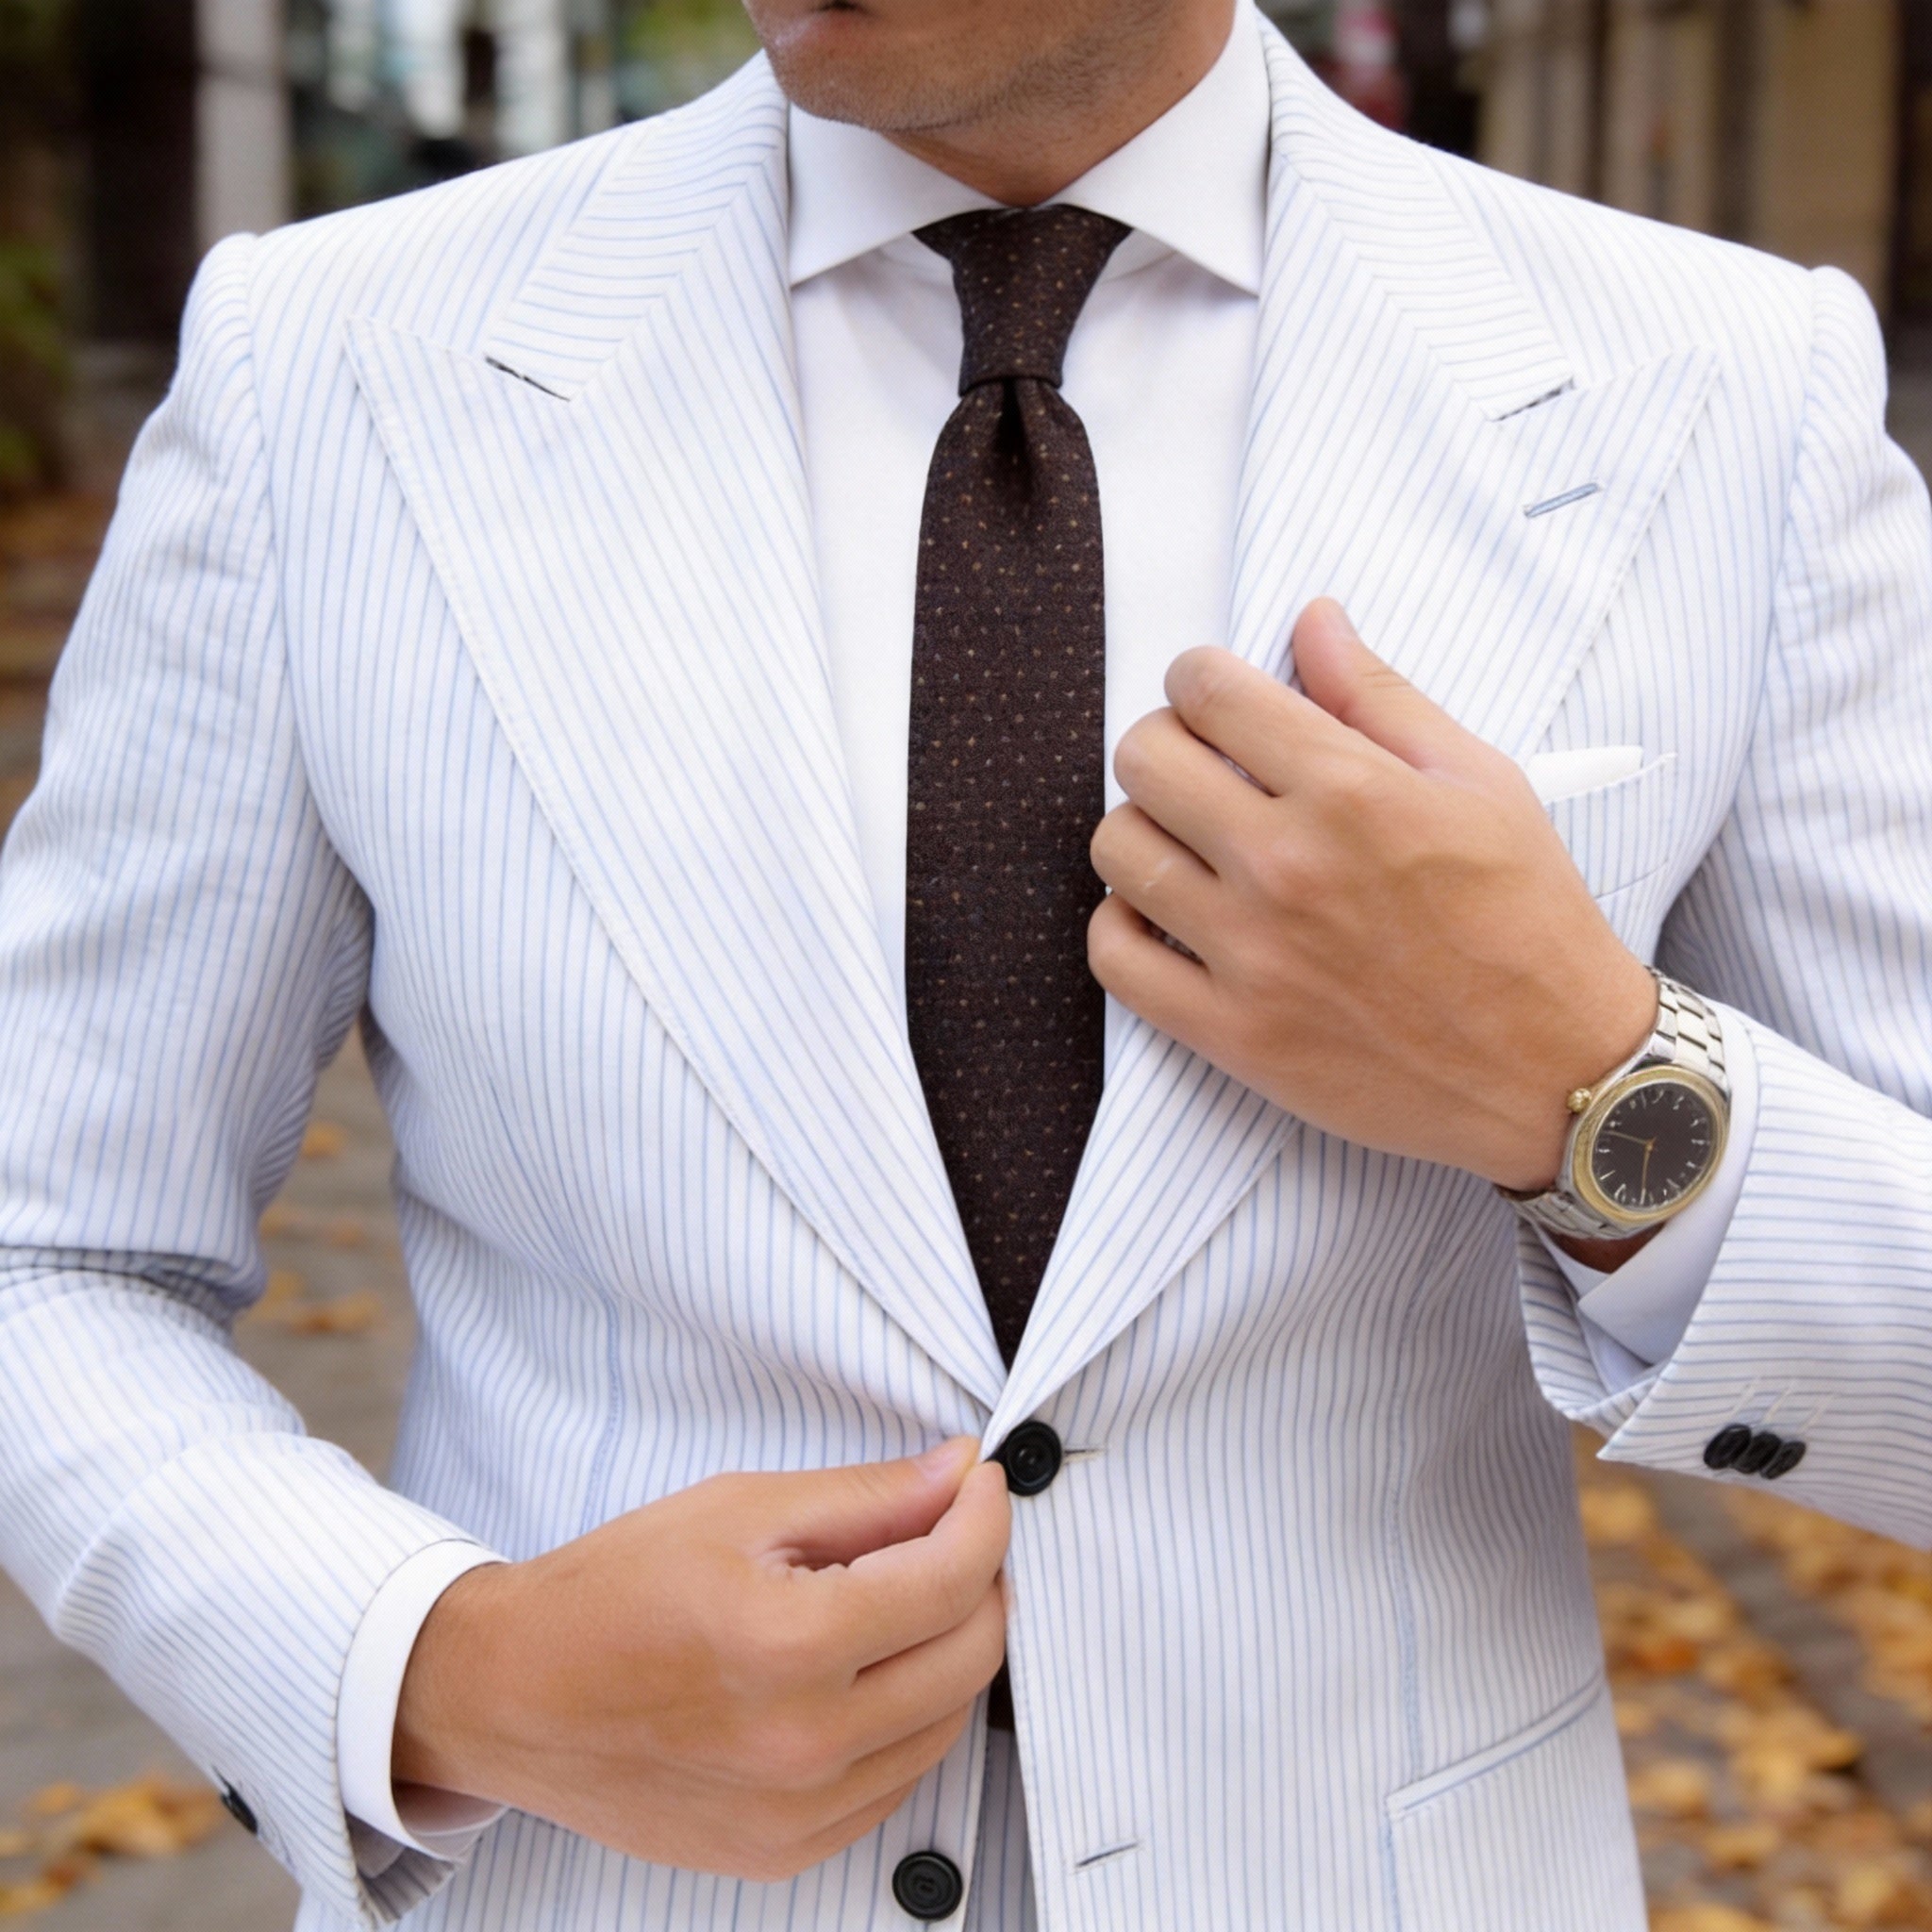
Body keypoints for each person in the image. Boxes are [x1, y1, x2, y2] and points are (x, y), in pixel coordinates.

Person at [0, 0, 1926, 1925]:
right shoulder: (321, 369)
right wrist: (438, 1669)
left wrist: (1586, 1083)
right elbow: (51, 1247)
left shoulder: (1722, 392)